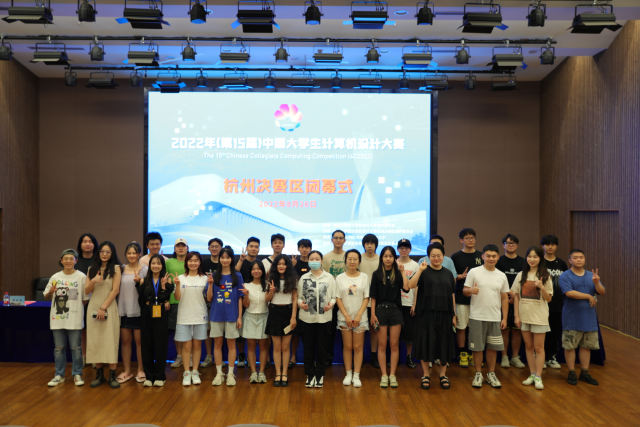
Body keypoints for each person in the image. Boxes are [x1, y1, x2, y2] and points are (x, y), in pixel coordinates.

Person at [407, 243, 456, 390]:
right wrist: (420, 270)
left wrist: (453, 315)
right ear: (428, 257)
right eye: (433, 256)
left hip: (445, 314)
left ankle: (443, 375)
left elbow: (452, 295)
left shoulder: (448, 273)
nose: (436, 258)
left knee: (444, 343)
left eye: (439, 255)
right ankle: (425, 375)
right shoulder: (423, 271)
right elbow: (410, 285)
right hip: (426, 314)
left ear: (443, 256)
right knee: (425, 343)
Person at [463, 244, 509, 389]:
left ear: (498, 257)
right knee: (477, 348)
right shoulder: (474, 272)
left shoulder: (501, 275)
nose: (491, 258)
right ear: (482, 256)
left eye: (493, 256)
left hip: (494, 317)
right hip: (477, 316)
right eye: (488, 256)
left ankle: (491, 374)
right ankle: (478, 374)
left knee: (492, 348)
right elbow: (465, 291)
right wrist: (470, 290)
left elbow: (504, 298)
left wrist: (504, 318)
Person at [44, 249, 89, 387]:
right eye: (66, 258)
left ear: (76, 261)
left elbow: (85, 299)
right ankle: (59, 375)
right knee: (59, 348)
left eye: (71, 258)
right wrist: (51, 292)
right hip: (58, 319)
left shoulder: (81, 277)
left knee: (76, 348)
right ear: (61, 260)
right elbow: (47, 296)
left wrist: (75, 309)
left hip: (75, 319)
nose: (68, 261)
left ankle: (77, 374)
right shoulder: (55, 277)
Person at [560, 249, 605, 386]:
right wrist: (589, 296)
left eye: (581, 257)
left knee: (586, 346)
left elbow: (602, 291)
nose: (579, 259)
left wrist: (596, 283)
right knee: (570, 347)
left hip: (589, 318)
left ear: (584, 259)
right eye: (575, 257)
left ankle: (584, 373)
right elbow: (569, 293)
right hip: (571, 318)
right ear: (570, 260)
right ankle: (571, 372)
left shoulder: (592, 275)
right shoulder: (565, 275)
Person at [512, 246, 553, 390]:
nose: (532, 259)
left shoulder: (546, 276)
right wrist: (517, 316)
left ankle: (539, 377)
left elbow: (549, 299)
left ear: (540, 258)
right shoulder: (520, 275)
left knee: (539, 348)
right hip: (525, 317)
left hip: (539, 317)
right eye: (529, 256)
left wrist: (542, 287)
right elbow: (516, 297)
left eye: (535, 256)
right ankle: (532, 374)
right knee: (528, 347)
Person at [370, 246, 409, 388]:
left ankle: (392, 375)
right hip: (380, 311)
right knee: (382, 345)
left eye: (391, 256)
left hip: (395, 311)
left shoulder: (398, 273)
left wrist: (403, 271)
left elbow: (406, 288)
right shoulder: (376, 274)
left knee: (394, 344)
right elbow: (373, 297)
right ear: (382, 258)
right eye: (385, 256)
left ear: (394, 258)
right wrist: (373, 314)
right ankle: (384, 375)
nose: (388, 259)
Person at [85, 241, 122, 389]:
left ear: (112, 254)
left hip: (109, 307)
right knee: (95, 340)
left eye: (108, 251)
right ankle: (99, 376)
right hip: (93, 307)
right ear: (98, 252)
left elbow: (115, 290)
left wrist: (103, 307)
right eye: (102, 251)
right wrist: (93, 281)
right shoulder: (91, 269)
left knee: (110, 340)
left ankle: (112, 375)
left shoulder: (116, 268)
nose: (104, 254)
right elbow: (86, 291)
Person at [298, 250, 336, 388]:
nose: (314, 261)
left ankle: (320, 374)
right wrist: (300, 304)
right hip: (307, 319)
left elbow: (334, 297)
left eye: (317, 259)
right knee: (308, 348)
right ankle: (310, 375)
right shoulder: (304, 278)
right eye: (311, 259)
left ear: (321, 261)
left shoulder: (329, 277)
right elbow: (299, 297)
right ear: (308, 261)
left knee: (322, 349)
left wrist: (331, 305)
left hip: (324, 319)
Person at [208, 246, 243, 386]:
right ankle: (219, 374)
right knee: (217, 344)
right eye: (222, 257)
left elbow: (240, 298)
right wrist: (210, 284)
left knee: (231, 344)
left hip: (232, 316)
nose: (225, 260)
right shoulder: (214, 275)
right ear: (219, 259)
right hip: (216, 315)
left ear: (231, 259)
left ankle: (230, 374)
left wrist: (239, 317)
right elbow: (209, 298)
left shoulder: (237, 276)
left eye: (227, 257)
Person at [136, 254, 174, 387]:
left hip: (161, 313)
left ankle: (160, 376)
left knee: (160, 345)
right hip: (147, 314)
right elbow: (141, 300)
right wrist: (137, 283)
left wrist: (163, 287)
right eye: (153, 263)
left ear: (162, 265)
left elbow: (165, 298)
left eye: (158, 263)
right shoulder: (143, 281)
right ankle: (149, 376)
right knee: (146, 345)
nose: (156, 266)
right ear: (149, 265)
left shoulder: (168, 281)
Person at [173, 251, 209, 387]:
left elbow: (208, 298)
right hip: (184, 316)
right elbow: (177, 298)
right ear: (186, 262)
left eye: (196, 260)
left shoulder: (205, 279)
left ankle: (195, 372)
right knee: (186, 346)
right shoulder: (180, 278)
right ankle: (186, 372)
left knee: (197, 346)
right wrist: (177, 285)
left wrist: (211, 284)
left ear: (200, 262)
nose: (193, 263)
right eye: (190, 260)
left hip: (200, 315)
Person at [335, 249, 369, 388]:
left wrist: (359, 315)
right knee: (348, 346)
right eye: (349, 259)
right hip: (345, 317)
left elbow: (366, 297)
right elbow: (338, 298)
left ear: (359, 261)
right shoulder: (339, 278)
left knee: (358, 347)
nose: (352, 261)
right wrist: (347, 316)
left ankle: (356, 375)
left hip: (360, 317)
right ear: (345, 260)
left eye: (355, 259)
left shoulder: (364, 277)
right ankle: (348, 374)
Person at [451, 228, 483, 368]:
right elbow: (452, 277)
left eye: (472, 237)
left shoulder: (481, 255)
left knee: (475, 328)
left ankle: (473, 353)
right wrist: (460, 277)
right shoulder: (456, 256)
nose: (470, 240)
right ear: (461, 240)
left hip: (478, 298)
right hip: (461, 297)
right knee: (462, 327)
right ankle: (463, 353)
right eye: (467, 238)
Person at [117, 242, 147, 383]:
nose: (132, 255)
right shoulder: (121, 269)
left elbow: (149, 288)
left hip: (139, 310)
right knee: (125, 341)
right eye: (129, 253)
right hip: (124, 310)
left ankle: (141, 370)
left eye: (134, 253)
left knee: (140, 341)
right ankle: (127, 371)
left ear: (139, 254)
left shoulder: (145, 269)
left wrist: (141, 281)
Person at [265, 254, 298, 387]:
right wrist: (271, 291)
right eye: (279, 264)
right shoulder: (270, 278)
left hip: (288, 313)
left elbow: (295, 299)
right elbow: (267, 299)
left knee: (285, 347)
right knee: (277, 347)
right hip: (274, 312)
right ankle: (277, 373)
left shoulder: (293, 279)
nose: (281, 266)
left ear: (288, 265)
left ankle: (285, 373)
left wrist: (293, 317)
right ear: (275, 265)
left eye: (284, 264)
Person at [495, 234, 526, 369]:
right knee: (505, 329)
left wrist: (516, 297)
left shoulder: (523, 262)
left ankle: (515, 356)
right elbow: (496, 281)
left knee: (517, 329)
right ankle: (504, 356)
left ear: (517, 245)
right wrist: (509, 295)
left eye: (513, 243)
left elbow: (525, 282)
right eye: (508, 243)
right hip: (503, 299)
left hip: (519, 299)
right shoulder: (499, 261)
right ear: (503, 245)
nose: (511, 245)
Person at [541, 234, 569, 369]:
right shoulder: (539, 262)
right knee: (541, 332)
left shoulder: (562, 263)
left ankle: (551, 357)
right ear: (543, 246)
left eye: (553, 244)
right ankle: (540, 357)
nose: (550, 247)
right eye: (547, 244)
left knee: (554, 332)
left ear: (556, 246)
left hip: (557, 303)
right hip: (541, 303)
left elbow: (566, 282)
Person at [241, 260, 270, 384]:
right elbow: (245, 305)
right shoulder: (246, 285)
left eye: (258, 269)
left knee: (263, 346)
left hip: (264, 317)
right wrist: (246, 295)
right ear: (250, 271)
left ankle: (261, 372)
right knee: (251, 346)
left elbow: (269, 301)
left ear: (262, 271)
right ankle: (253, 372)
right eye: (254, 269)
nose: (256, 271)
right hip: (250, 317)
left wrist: (271, 291)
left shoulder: (268, 285)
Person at [236, 237, 262, 368]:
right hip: (242, 298)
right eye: (251, 246)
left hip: (257, 300)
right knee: (240, 331)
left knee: (258, 333)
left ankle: (261, 358)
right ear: (246, 248)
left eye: (256, 247)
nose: (254, 249)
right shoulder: (241, 261)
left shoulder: (260, 263)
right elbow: (235, 273)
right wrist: (241, 260)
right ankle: (241, 354)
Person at [322, 230, 347, 367]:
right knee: (329, 330)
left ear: (344, 240)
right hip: (330, 299)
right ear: (331, 240)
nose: (338, 240)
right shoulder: (326, 257)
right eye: (335, 238)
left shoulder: (349, 256)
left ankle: (347, 359)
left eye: (340, 238)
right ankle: (328, 356)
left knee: (346, 329)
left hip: (346, 299)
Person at [200, 237, 223, 369]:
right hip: (207, 302)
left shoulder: (224, 262)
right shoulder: (204, 263)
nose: (214, 248)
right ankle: (209, 356)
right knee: (208, 330)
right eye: (212, 246)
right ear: (208, 248)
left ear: (221, 248)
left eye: (217, 246)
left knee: (220, 332)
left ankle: (220, 358)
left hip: (222, 302)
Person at [166, 238, 188, 369]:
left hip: (190, 301)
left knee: (190, 329)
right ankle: (179, 356)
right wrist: (166, 300)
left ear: (187, 248)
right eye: (178, 246)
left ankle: (190, 356)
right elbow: (164, 281)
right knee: (177, 330)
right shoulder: (169, 262)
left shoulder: (191, 261)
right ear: (174, 249)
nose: (180, 248)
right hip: (174, 301)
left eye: (183, 246)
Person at [76, 233, 98, 366]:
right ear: (80, 244)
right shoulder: (75, 260)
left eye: (90, 241)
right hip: (79, 301)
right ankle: (84, 357)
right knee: (82, 331)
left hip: (96, 299)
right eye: (85, 241)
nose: (88, 244)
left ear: (94, 244)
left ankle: (94, 358)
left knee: (94, 330)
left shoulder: (98, 260)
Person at [290, 238, 312, 368]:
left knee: (309, 333)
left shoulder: (314, 263)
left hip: (312, 302)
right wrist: (291, 266)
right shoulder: (294, 263)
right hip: (296, 301)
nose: (304, 249)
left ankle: (310, 359)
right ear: (298, 248)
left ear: (310, 249)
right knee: (295, 333)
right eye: (302, 247)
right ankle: (293, 357)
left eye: (307, 247)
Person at [397, 239, 419, 369]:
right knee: (395, 334)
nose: (404, 250)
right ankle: (395, 358)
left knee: (409, 334)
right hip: (396, 303)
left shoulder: (415, 265)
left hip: (409, 303)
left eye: (406, 248)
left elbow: (418, 286)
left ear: (410, 249)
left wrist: (415, 304)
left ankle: (409, 357)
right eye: (401, 248)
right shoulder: (394, 263)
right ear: (398, 249)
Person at [360, 233, 380, 368]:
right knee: (360, 329)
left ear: (376, 245)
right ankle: (359, 356)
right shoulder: (358, 258)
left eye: (372, 243)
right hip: (360, 300)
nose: (369, 245)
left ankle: (373, 356)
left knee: (375, 329)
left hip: (376, 300)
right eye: (367, 243)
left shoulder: (381, 259)